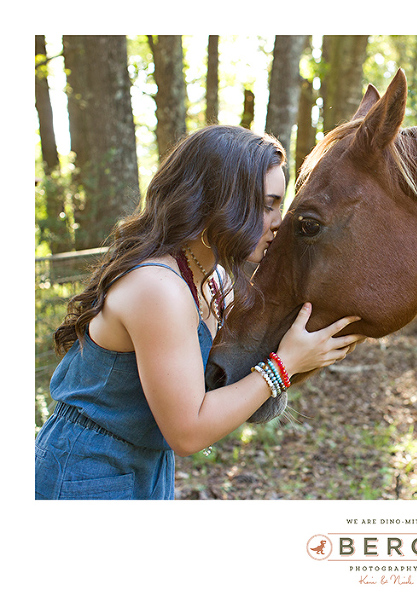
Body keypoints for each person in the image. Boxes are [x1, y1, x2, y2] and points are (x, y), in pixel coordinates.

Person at [35, 125, 364, 500]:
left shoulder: (214, 279)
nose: (279, 222)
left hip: (144, 465)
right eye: (267, 204)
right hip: (86, 469)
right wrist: (284, 365)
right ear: (219, 201)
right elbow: (188, 432)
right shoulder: (158, 288)